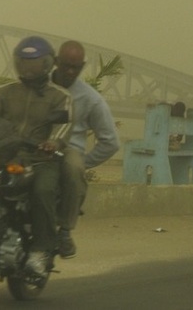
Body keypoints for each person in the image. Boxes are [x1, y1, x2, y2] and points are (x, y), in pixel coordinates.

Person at [0, 36, 73, 277]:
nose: (28, 68)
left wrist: (52, 143)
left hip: (40, 159)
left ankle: (40, 251)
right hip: (6, 156)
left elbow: (65, 125)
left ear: (47, 64)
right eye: (24, 63)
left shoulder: (59, 96)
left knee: (43, 190)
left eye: (34, 63)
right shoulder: (6, 93)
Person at [52, 40, 120, 259]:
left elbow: (111, 142)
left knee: (73, 168)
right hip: (34, 146)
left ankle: (64, 231)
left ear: (82, 67)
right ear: (55, 62)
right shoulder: (39, 85)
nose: (70, 71)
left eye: (76, 67)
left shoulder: (91, 99)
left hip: (67, 151)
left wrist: (85, 162)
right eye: (65, 66)